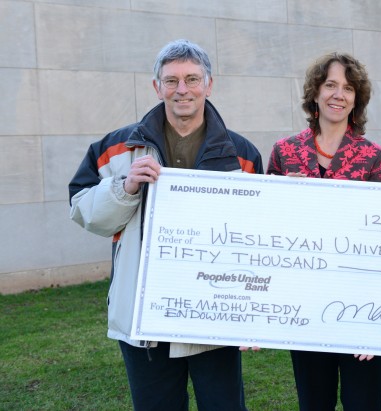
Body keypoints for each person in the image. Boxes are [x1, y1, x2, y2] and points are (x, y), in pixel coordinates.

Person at [68, 39, 263, 411]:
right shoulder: (116, 149)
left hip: (214, 317)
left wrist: (248, 313)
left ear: (209, 84)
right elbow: (83, 211)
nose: (182, 90)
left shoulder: (243, 154)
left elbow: (254, 242)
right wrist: (124, 187)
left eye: (192, 79)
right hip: (144, 319)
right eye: (171, 81)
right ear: (156, 87)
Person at [267, 52, 381, 410]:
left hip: (360, 302)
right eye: (331, 85)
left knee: (363, 402)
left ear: (357, 98)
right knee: (313, 403)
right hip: (305, 305)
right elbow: (267, 229)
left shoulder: (373, 156)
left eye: (348, 88)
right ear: (316, 93)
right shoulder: (284, 152)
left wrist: (375, 318)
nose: (339, 94)